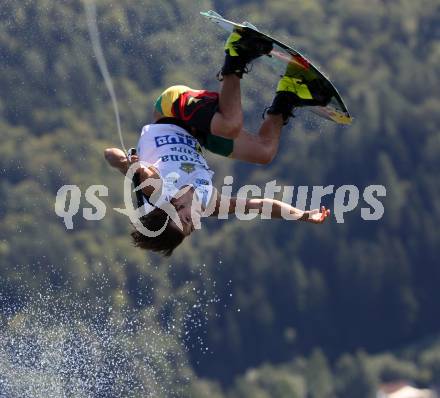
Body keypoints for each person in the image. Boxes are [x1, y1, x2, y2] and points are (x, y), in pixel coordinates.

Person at [104, 31, 331, 256]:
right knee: (264, 152)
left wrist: (128, 163)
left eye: (185, 220)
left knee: (230, 125)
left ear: (172, 207)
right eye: (190, 228)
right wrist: (301, 215)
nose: (194, 221)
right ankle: (290, 91)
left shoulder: (157, 190)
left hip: (171, 110)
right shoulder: (209, 204)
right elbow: (260, 205)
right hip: (200, 133)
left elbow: (111, 155)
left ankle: (237, 52)